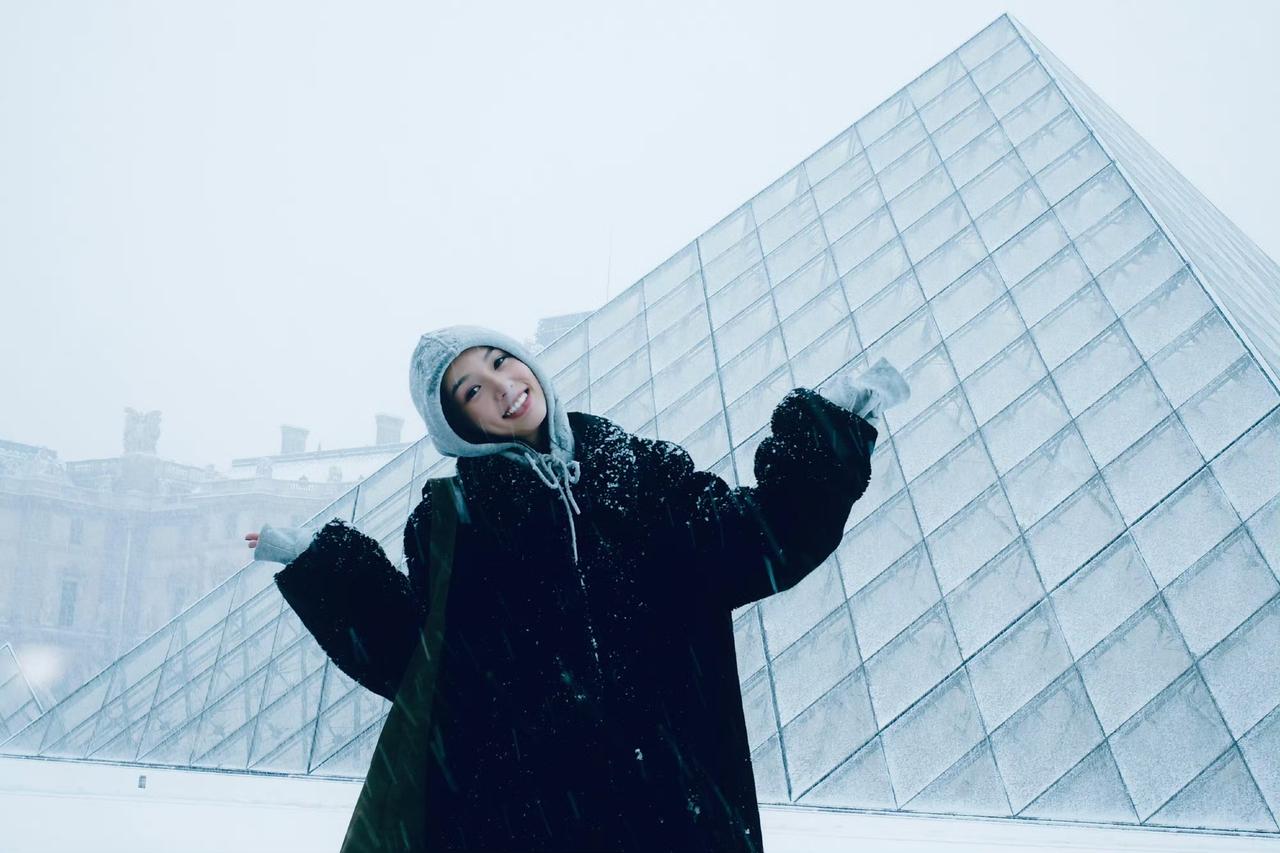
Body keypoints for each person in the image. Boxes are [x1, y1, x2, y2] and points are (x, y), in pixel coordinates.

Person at [248, 324, 907, 852]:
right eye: (472, 390)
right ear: (457, 425)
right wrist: (322, 566)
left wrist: (830, 431)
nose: (501, 387)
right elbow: (416, 662)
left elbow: (763, 541)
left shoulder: (641, 471)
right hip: (529, 822)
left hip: (672, 811)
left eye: (501, 362)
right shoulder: (451, 524)